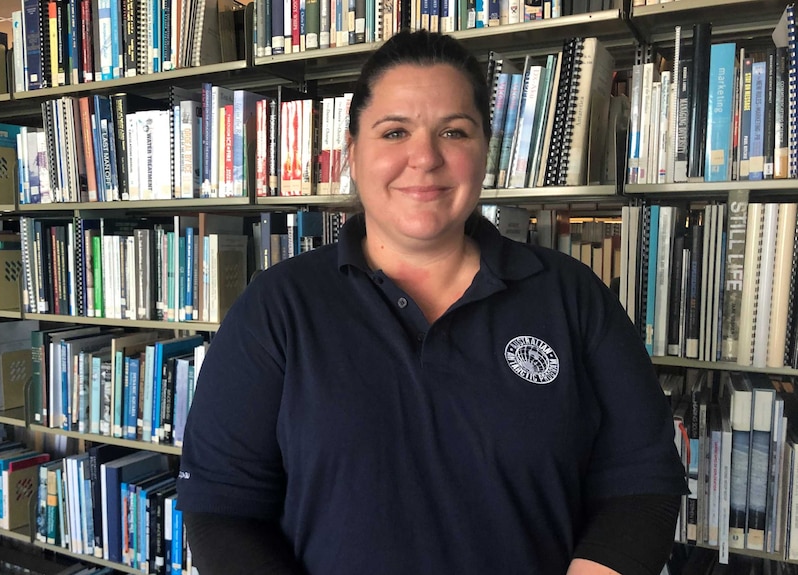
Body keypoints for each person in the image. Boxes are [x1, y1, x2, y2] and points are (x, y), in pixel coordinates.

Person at [176, 29, 688, 575]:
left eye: (454, 132)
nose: (425, 158)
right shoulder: (277, 308)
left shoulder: (573, 297)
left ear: (484, 152)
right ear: (353, 153)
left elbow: (642, 484)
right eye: (395, 132)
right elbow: (221, 508)